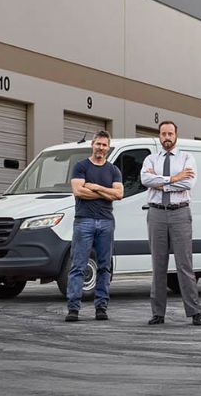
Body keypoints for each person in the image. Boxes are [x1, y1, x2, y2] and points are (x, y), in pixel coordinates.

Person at [140, 120, 201, 325]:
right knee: (158, 265)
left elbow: (189, 182)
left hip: (180, 214)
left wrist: (161, 182)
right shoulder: (151, 159)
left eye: (170, 134)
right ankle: (158, 313)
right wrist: (174, 178)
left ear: (176, 135)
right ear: (159, 136)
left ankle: (195, 312)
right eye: (163, 134)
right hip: (156, 214)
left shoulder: (187, 158)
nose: (167, 137)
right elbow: (145, 180)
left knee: (184, 265)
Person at [66, 130, 123, 322]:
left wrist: (95, 187)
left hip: (106, 222)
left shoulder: (113, 170)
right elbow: (78, 191)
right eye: (98, 144)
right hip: (84, 221)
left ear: (108, 147)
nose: (101, 148)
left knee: (105, 266)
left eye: (104, 145)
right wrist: (107, 193)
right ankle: (73, 308)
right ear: (92, 144)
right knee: (78, 266)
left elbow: (119, 194)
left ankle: (101, 307)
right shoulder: (80, 166)